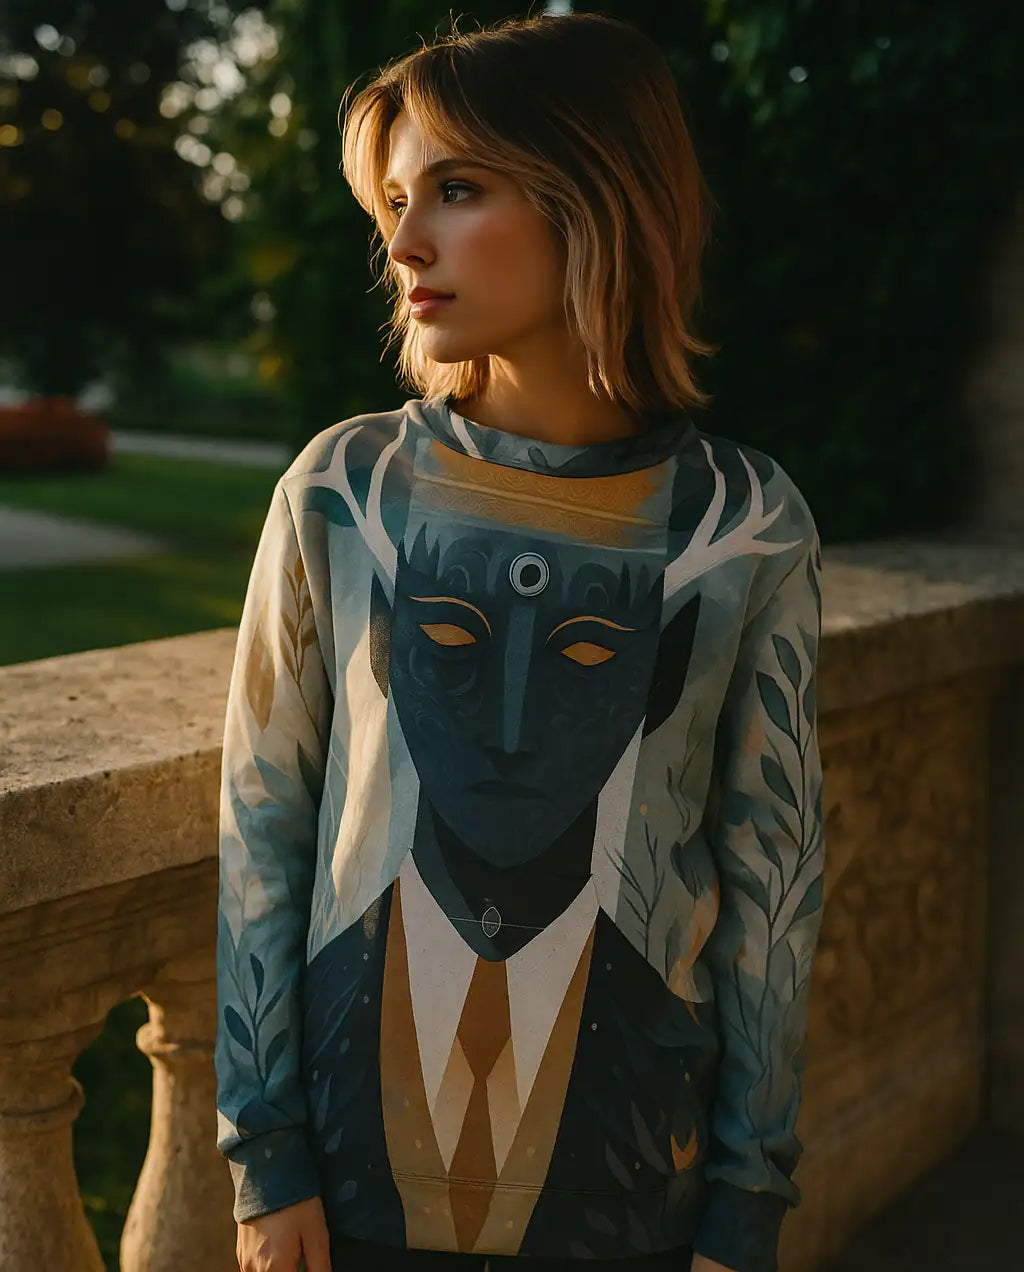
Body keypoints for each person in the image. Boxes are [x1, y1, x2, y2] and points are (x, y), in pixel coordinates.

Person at [215, 12, 826, 1272]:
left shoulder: (743, 525)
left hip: (630, 1199)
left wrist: (744, 1201)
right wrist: (262, 1150)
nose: (400, 241)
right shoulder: (345, 493)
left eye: (455, 188)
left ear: (595, 195)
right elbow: (262, 826)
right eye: (392, 200)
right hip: (346, 1194)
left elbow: (772, 881)